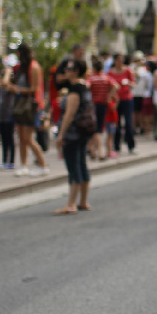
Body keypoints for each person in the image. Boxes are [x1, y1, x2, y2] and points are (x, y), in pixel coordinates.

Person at [53, 60, 93, 214]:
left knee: (73, 166)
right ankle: (83, 201)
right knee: (82, 164)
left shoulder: (75, 90)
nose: (65, 71)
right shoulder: (84, 87)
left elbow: (69, 114)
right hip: (83, 131)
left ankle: (71, 204)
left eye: (68, 68)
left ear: (76, 71)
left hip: (73, 133)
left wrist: (60, 134)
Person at [10, 43, 49, 177]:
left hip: (31, 105)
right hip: (21, 104)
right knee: (21, 137)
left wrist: (17, 90)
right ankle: (23, 165)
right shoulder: (22, 68)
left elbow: (34, 88)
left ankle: (43, 164)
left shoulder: (34, 67)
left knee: (28, 138)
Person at [108, 53, 137, 154]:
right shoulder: (110, 72)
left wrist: (128, 83)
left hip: (127, 99)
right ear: (115, 61)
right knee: (116, 124)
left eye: (122, 60)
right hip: (116, 100)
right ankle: (116, 146)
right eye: (118, 60)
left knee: (128, 123)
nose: (120, 62)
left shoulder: (128, 70)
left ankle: (131, 145)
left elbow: (133, 84)